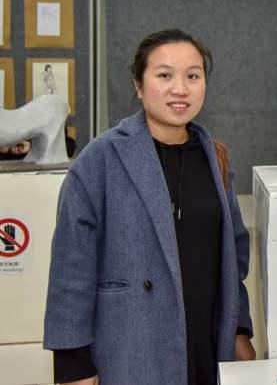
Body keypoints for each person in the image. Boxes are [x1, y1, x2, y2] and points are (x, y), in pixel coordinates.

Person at [43, 29, 255, 385]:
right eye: (164, 75)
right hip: (130, 346)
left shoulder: (215, 157)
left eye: (193, 76)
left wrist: (239, 330)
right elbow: (71, 267)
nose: (180, 89)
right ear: (139, 86)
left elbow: (233, 257)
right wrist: (73, 364)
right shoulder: (101, 159)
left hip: (206, 345)